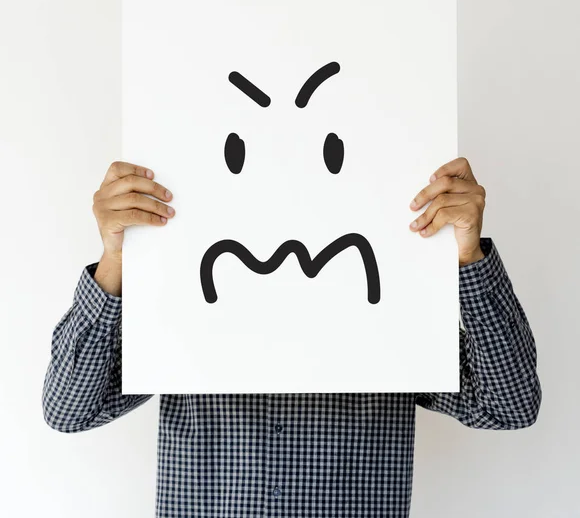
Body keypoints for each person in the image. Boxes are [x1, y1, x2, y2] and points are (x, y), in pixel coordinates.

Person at [42, 156, 541, 518]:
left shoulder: (392, 307)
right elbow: (68, 409)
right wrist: (117, 259)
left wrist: (467, 253)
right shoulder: (183, 297)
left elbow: (510, 405)